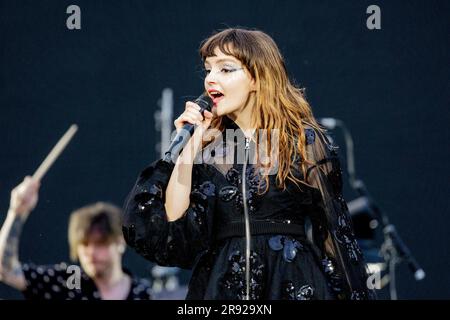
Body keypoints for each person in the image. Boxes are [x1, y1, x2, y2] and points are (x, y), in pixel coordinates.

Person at [122, 27, 374, 300]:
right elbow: (174, 222)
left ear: (257, 77)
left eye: (225, 69)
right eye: (208, 70)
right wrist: (189, 148)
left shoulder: (302, 142)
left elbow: (334, 235)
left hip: (290, 281)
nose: (210, 79)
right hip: (223, 286)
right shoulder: (211, 149)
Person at [0, 176, 152, 300]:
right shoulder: (65, 283)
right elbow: (5, 270)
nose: (91, 252)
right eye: (84, 244)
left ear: (120, 242)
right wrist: (17, 212)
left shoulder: (145, 294)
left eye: (100, 244)